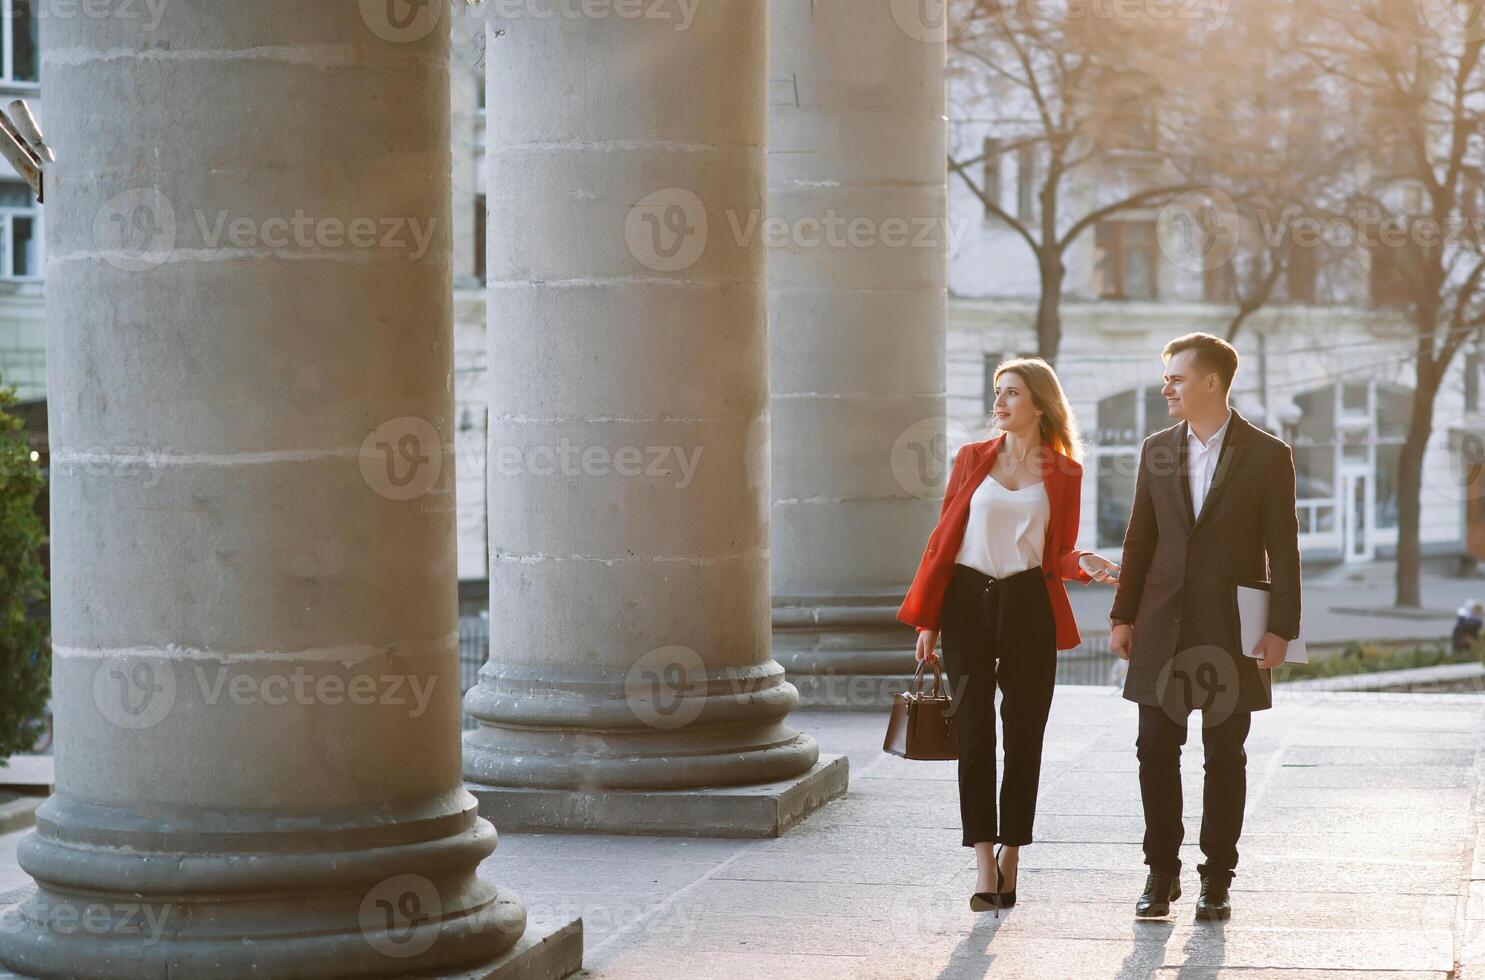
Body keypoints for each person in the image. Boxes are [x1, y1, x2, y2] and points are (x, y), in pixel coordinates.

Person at [898, 357, 1120, 914]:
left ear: (1040, 405)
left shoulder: (1065, 473)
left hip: (1028, 606)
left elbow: (1057, 553)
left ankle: (1012, 853)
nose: (999, 402)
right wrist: (929, 621)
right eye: (997, 392)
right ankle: (981, 861)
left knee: (1025, 735)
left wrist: (1083, 561)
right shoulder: (972, 458)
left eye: (1012, 393)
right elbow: (944, 540)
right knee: (973, 733)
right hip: (967, 604)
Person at [1109, 333, 1302, 922]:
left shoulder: (1268, 454)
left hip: (1231, 628)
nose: (1166, 387)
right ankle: (1160, 870)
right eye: (1166, 378)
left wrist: (1281, 629)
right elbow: (1140, 538)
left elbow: (1283, 549)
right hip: (1161, 622)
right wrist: (1122, 614)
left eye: (1176, 378)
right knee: (1154, 750)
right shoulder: (1156, 449)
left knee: (1225, 755)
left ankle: (1216, 877)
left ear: (1211, 383)